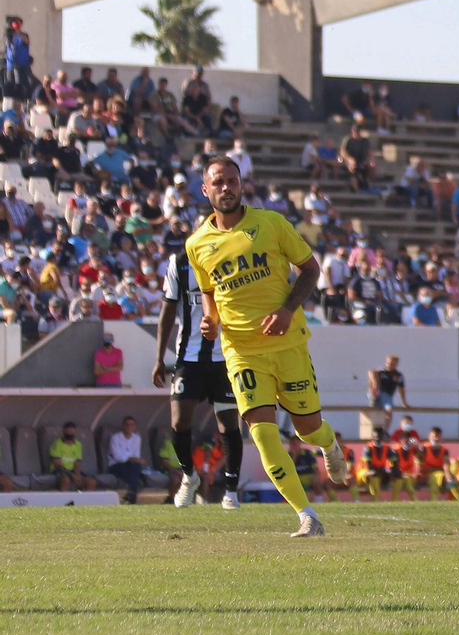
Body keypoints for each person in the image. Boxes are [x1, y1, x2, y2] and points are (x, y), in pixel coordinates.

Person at [188, 155, 348, 537]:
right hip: (241, 350)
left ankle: (329, 443)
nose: (226, 188)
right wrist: (209, 321)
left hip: (287, 344)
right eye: (218, 182)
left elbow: (311, 270)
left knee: (307, 429)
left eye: (232, 180)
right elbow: (209, 292)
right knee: (261, 432)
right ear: (205, 189)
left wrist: (288, 309)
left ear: (242, 185)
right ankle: (306, 515)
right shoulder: (197, 244)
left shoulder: (271, 224)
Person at [153, 246, 246, 509]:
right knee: (179, 422)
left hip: (225, 358)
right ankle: (189, 476)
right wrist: (159, 358)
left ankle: (231, 491)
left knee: (229, 424)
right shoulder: (178, 263)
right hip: (188, 358)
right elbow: (168, 312)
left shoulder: (231, 259)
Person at [105, 416, 147, 504]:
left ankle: (131, 495)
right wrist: (131, 458)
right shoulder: (115, 438)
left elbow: (136, 455)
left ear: (134, 427)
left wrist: (134, 459)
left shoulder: (137, 438)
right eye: (127, 425)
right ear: (123, 426)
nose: (129, 427)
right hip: (116, 465)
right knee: (134, 473)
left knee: (136, 467)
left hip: (132, 465)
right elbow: (117, 457)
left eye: (131, 425)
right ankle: (133, 494)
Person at [416, 427, 459, 501]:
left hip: (441, 473)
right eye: (434, 436)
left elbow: (445, 464)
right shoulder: (424, 449)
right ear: (429, 436)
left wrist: (448, 474)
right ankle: (434, 500)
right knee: (437, 478)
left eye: (438, 437)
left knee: (452, 481)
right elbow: (420, 464)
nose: (436, 439)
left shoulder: (444, 450)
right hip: (427, 474)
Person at [368, 355, 410, 430]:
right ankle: (373, 398)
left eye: (392, 364)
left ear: (396, 365)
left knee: (389, 410)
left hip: (387, 396)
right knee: (373, 377)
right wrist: (375, 382)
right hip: (377, 392)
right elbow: (371, 372)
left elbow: (401, 389)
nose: (390, 365)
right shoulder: (381, 372)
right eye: (388, 363)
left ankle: (385, 431)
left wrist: (404, 402)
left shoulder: (398, 375)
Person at [50, 421, 95, 491]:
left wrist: (77, 475)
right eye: (68, 431)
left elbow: (78, 462)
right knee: (66, 480)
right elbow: (57, 465)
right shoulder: (57, 444)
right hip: (59, 471)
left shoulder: (78, 444)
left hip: (73, 471)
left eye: (71, 431)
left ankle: (86, 501)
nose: (69, 433)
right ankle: (64, 501)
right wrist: (71, 475)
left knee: (91, 482)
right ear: (64, 431)